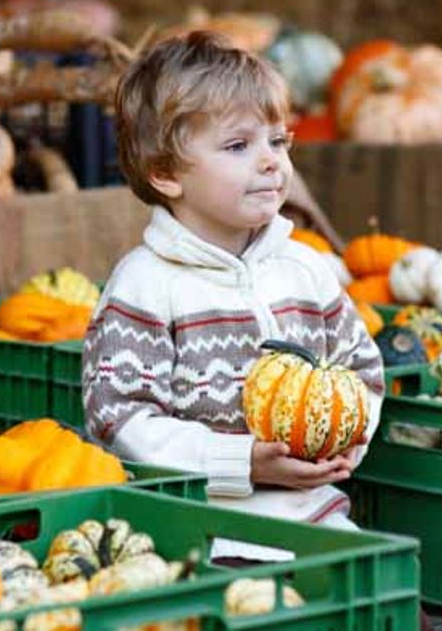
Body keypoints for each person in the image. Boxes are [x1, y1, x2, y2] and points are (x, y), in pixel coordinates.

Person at [82, 31, 385, 560]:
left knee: (395, 603)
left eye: (278, 140)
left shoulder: (306, 269)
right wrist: (241, 461)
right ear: (166, 174)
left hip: (315, 518)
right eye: (238, 145)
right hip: (199, 532)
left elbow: (362, 372)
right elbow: (120, 420)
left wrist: (343, 441)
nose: (271, 162)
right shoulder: (146, 284)